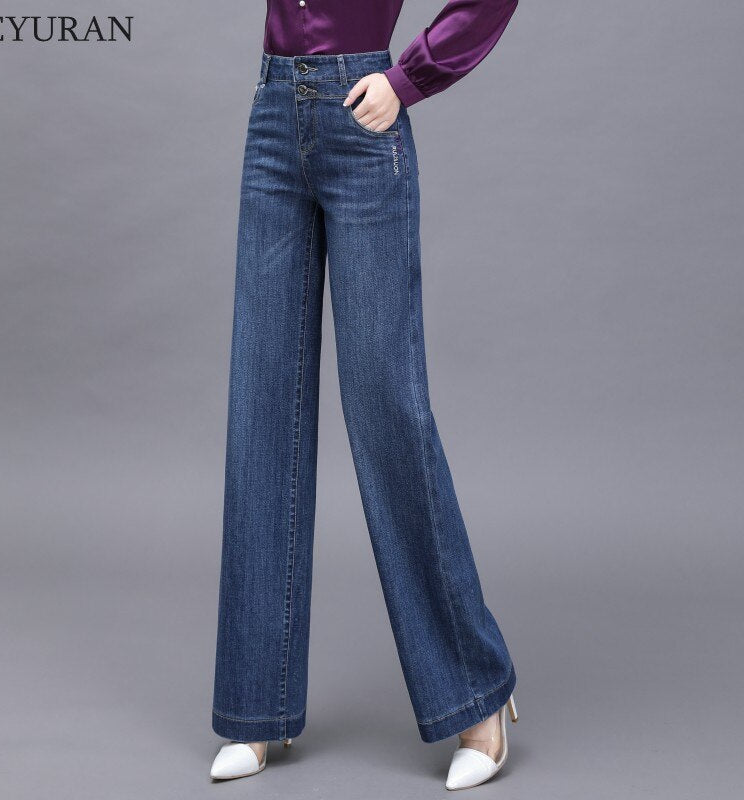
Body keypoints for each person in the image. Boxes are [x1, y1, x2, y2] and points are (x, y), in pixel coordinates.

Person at [210, 0, 520, 790]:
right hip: (273, 110)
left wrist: (408, 79)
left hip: (363, 113)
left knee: (387, 411)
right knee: (260, 411)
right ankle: (257, 709)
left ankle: (477, 693)